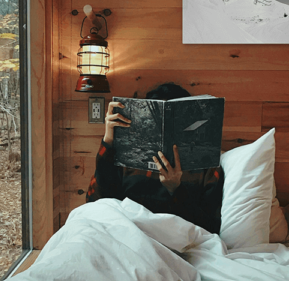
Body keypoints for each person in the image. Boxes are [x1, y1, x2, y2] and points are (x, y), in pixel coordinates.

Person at [86, 82, 225, 235]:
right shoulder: (127, 156)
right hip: (125, 234)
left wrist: (176, 189)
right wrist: (109, 140)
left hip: (173, 241)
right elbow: (96, 203)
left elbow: (209, 227)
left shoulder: (207, 165)